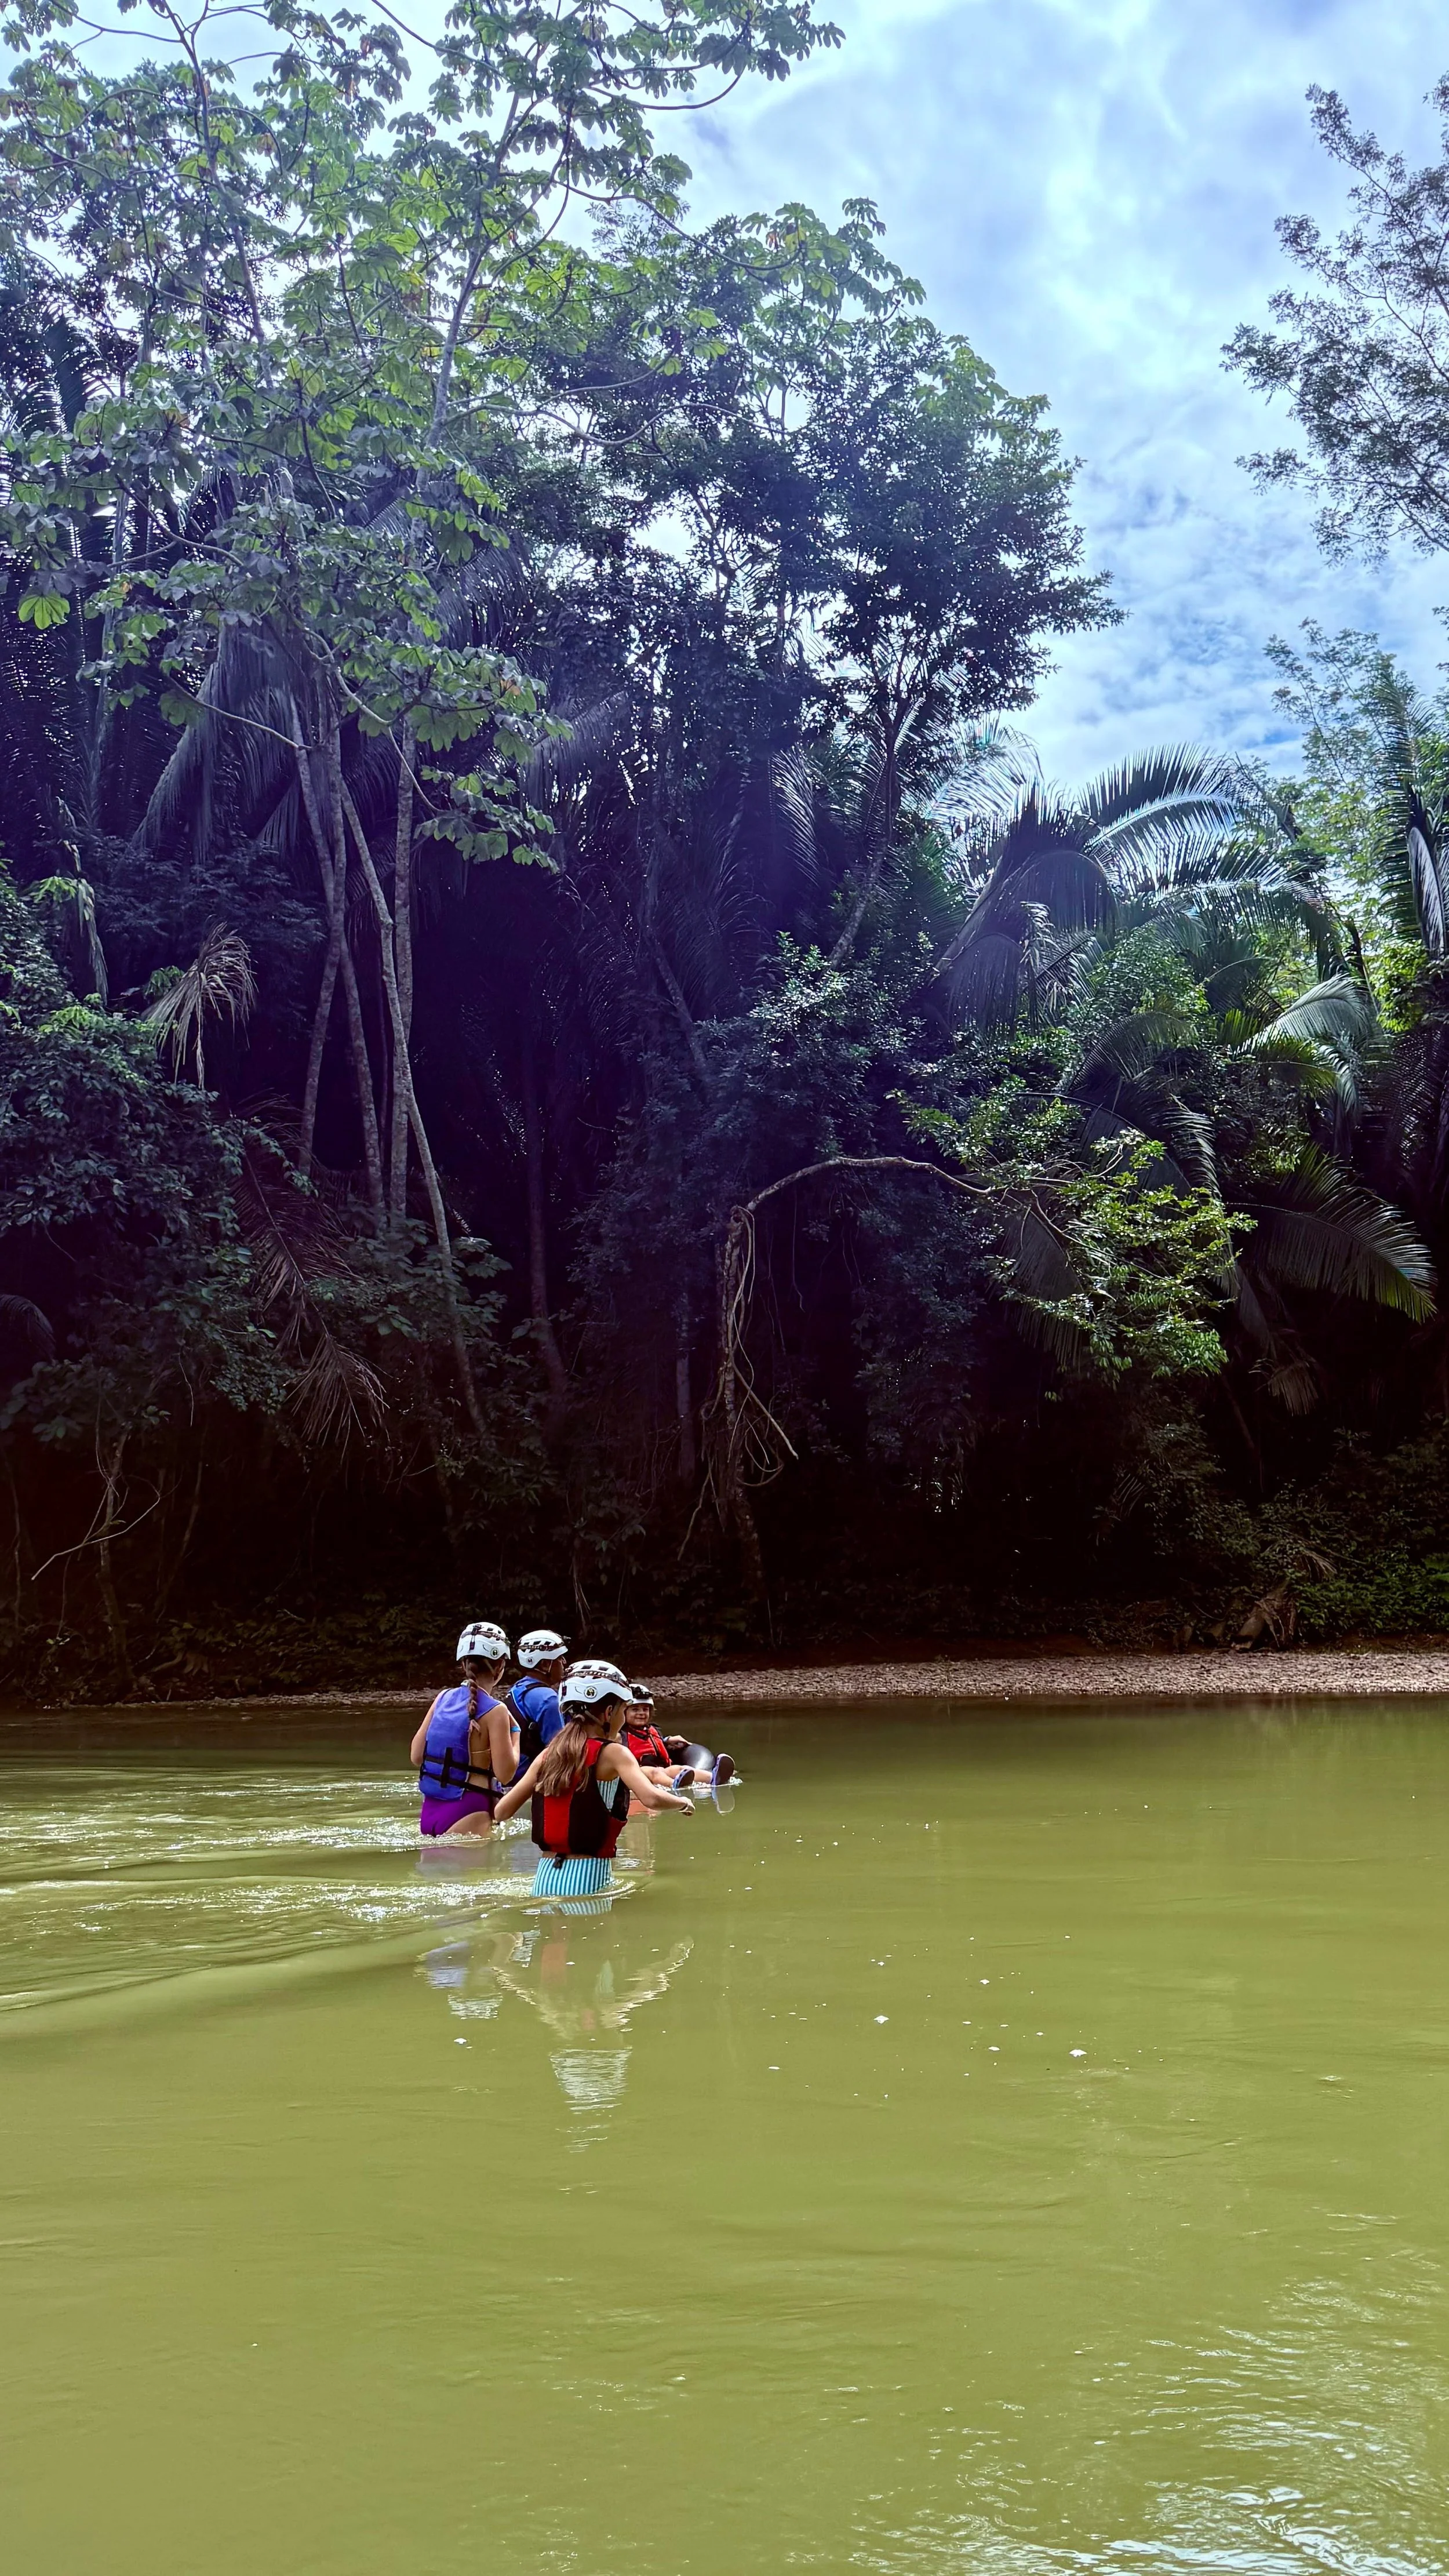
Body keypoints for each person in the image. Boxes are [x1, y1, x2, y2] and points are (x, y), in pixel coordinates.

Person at [494, 1660, 693, 1900]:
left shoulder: (549, 1754)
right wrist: (682, 1803)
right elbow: (650, 1797)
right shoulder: (613, 1753)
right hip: (587, 1879)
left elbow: (502, 1812)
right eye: (623, 1709)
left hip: (543, 1879)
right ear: (609, 1713)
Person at [410, 1621, 519, 1840]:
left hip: (430, 1811)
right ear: (500, 1667)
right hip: (469, 1810)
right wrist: (516, 1733)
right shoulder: (497, 1711)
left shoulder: (443, 1697)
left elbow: (416, 1756)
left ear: (464, 1664)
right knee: (474, 1875)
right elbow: (506, 1774)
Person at [624, 1683, 735, 1789]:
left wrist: (667, 1740)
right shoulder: (621, 1733)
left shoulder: (653, 1730)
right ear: (623, 1712)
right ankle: (674, 1785)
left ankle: (714, 1778)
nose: (641, 1713)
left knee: (681, 1769)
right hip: (640, 1771)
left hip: (662, 1769)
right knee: (656, 1772)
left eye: (645, 1709)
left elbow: (653, 1744)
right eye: (635, 1710)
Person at [509, 1628, 569, 1770]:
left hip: (510, 1778)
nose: (564, 1662)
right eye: (560, 1658)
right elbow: (559, 1754)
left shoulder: (517, 1689)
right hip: (531, 1783)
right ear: (545, 1665)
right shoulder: (549, 1700)